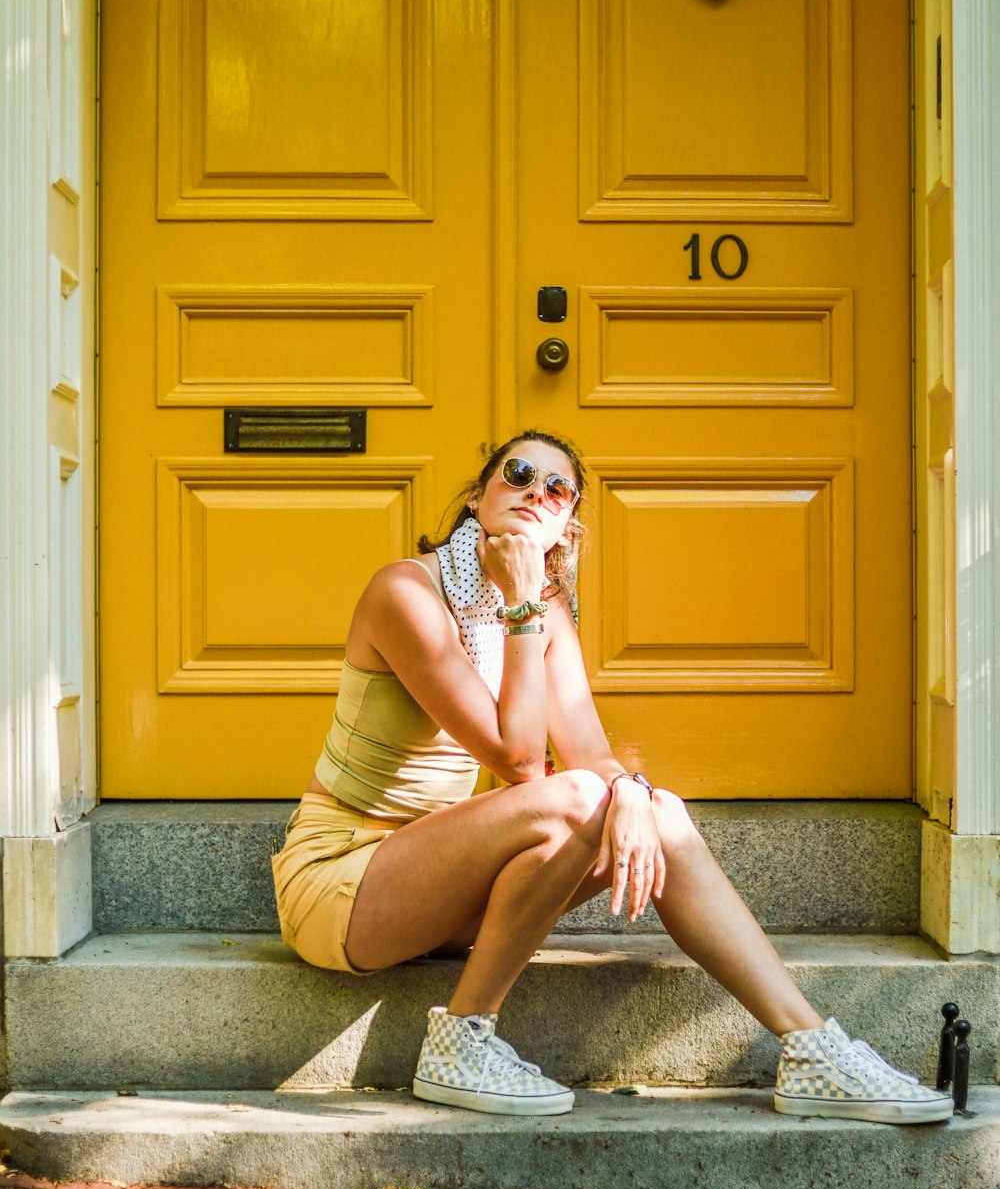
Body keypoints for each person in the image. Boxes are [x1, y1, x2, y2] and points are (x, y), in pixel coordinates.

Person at [272, 430, 952, 1124]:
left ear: (566, 527)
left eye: (558, 489)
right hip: (342, 880)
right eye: (520, 474)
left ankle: (811, 1048)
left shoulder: (542, 609)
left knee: (658, 812)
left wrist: (632, 793)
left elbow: (589, 756)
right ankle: (461, 1043)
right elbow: (519, 761)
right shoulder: (406, 593)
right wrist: (521, 604)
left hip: (437, 888)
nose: (538, 491)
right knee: (576, 798)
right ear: (478, 498)